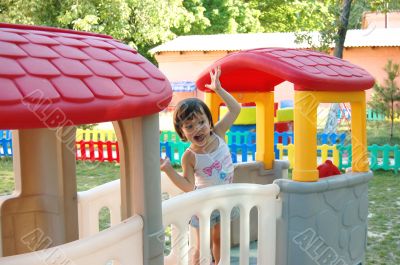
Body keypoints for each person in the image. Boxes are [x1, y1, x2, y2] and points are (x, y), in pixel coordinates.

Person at [160, 66, 241, 265]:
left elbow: (236, 109)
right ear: (182, 132)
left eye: (202, 122)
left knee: (219, 240)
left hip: (224, 200)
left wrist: (218, 89)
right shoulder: (190, 156)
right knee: (198, 246)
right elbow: (189, 186)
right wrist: (169, 170)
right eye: (189, 126)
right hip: (202, 205)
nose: (198, 129)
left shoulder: (219, 133)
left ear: (210, 122)